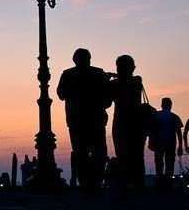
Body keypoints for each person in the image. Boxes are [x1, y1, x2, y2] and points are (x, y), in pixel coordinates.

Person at [56, 48, 110, 191]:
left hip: (76, 120)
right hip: (96, 119)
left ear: (74, 60)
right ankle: (96, 180)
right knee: (98, 150)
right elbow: (107, 99)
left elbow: (61, 94)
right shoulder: (99, 73)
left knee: (80, 152)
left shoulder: (68, 74)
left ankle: (85, 181)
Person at [108, 55, 147, 189]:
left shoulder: (116, 84)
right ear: (133, 68)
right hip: (137, 123)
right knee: (137, 154)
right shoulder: (136, 81)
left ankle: (126, 183)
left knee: (123, 154)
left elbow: (107, 102)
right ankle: (137, 183)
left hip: (121, 122)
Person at [149, 98, 183, 187]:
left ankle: (159, 180)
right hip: (170, 143)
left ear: (162, 105)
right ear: (170, 105)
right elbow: (179, 133)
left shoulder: (156, 115)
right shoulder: (174, 116)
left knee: (159, 163)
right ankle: (169, 182)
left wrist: (150, 142)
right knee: (170, 163)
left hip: (158, 143)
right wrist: (180, 145)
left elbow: (151, 130)